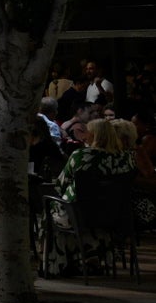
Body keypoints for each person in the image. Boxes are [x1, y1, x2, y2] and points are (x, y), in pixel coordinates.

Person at [45, 117, 137, 275]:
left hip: (81, 215)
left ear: (94, 136)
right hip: (116, 215)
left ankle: (62, 263)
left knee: (50, 209)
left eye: (87, 132)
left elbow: (61, 185)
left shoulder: (81, 156)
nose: (84, 135)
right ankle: (91, 259)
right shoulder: (126, 158)